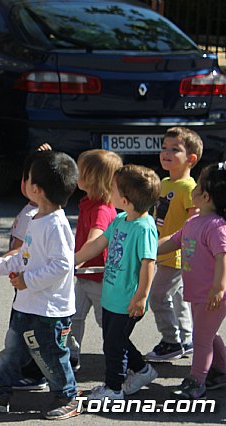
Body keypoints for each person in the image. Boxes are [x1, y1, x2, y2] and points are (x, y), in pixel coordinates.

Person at [0, 151, 81, 420]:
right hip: (27, 305)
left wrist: (27, 281)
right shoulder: (36, 218)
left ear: (36, 189)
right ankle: (0, 391)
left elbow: (62, 265)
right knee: (11, 352)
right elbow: (25, 256)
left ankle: (68, 396)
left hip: (50, 311)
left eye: (27, 178)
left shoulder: (56, 225)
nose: (24, 182)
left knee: (51, 356)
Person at [75, 165, 161, 401]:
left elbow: (148, 264)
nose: (108, 191)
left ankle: (113, 389)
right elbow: (98, 244)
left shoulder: (145, 228)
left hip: (128, 300)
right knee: (116, 340)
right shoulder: (121, 218)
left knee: (113, 346)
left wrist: (141, 296)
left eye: (112, 188)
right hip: (112, 296)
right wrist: (73, 261)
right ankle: (143, 371)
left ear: (125, 199)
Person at [158, 162, 226, 399]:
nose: (193, 190)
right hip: (198, 293)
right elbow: (173, 241)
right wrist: (146, 251)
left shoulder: (217, 227)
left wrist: (218, 288)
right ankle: (222, 370)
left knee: (201, 338)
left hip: (212, 295)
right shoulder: (194, 221)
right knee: (207, 333)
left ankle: (196, 381)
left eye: (196, 188)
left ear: (206, 196)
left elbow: (222, 257)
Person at [145, 127, 203, 362]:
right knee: (178, 296)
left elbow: (194, 222)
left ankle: (170, 341)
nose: (166, 153)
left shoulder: (189, 188)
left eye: (174, 149)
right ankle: (186, 339)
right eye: (164, 148)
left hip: (177, 254)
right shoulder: (166, 182)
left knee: (158, 295)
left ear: (191, 159)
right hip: (162, 250)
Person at [68, 149, 123, 372]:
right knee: (73, 317)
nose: (75, 174)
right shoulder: (89, 202)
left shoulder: (101, 209)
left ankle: (126, 364)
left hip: (98, 277)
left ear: (94, 178)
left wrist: (73, 261)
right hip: (85, 276)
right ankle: (70, 356)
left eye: (80, 171)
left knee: (108, 325)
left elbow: (95, 239)